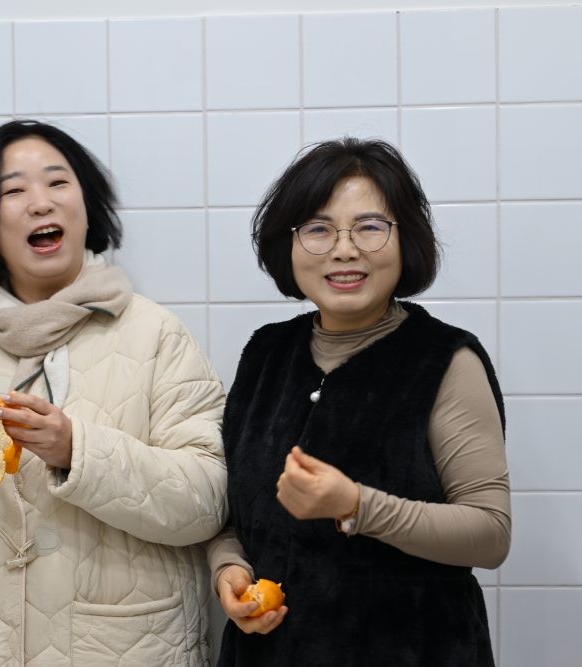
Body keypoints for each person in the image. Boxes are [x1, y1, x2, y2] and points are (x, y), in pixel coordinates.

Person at [0, 119, 227, 665]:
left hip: (126, 649)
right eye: (13, 191)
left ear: (87, 207)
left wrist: (78, 451)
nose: (41, 203)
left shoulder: (156, 334)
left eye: (58, 182)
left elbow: (208, 502)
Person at [209, 138, 510, 666]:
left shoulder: (445, 359)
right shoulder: (265, 354)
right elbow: (235, 514)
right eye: (318, 229)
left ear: (406, 238)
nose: (344, 249)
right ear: (288, 244)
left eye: (370, 227)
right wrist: (228, 568)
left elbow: (490, 534)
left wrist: (355, 506)